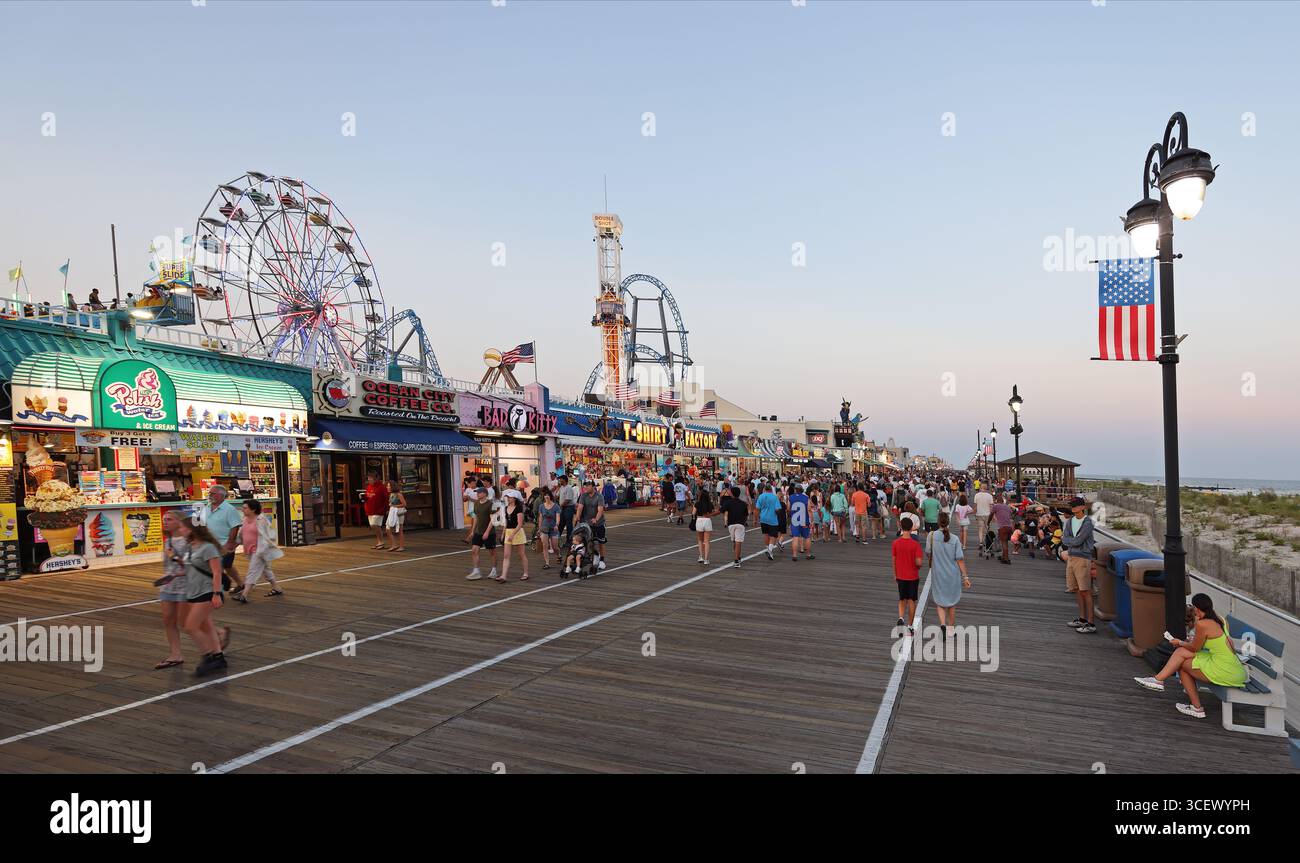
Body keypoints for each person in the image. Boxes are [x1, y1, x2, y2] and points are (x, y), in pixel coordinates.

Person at [1135, 594, 1248, 719]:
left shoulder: (1202, 624)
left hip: (1224, 670)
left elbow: (1195, 648)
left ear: (1196, 608)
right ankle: (1159, 680)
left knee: (1183, 664)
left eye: (1193, 608)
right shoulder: (1220, 619)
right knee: (1182, 654)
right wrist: (1188, 642)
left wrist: (1179, 642)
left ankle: (1195, 707)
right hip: (1235, 668)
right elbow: (1208, 643)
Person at [175, 517, 228, 676]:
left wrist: (217, 593)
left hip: (207, 591)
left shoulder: (208, 548)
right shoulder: (190, 546)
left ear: (191, 529)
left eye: (182, 527)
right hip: (193, 591)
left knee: (190, 627)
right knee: (207, 626)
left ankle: (208, 656)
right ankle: (218, 657)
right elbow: (191, 566)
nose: (180, 530)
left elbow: (217, 572)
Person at [152, 511, 190, 669]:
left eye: (169, 519)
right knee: (168, 619)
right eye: (164, 520)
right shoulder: (168, 540)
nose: (165, 522)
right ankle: (175, 654)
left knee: (186, 621)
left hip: (185, 584)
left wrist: (174, 557)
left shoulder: (188, 540)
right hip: (168, 583)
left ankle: (217, 634)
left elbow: (189, 565)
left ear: (179, 521)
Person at [926, 512, 970, 636]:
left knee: (940, 601)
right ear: (948, 523)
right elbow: (960, 559)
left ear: (938, 522)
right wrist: (965, 577)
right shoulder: (955, 539)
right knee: (952, 603)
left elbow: (928, 552)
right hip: (953, 575)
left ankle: (943, 624)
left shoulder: (931, 535)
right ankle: (951, 629)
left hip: (938, 573)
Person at [194, 484, 243, 593]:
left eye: (212, 493)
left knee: (217, 567)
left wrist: (230, 543)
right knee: (227, 566)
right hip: (209, 544)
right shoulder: (206, 507)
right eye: (209, 493)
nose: (209, 495)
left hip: (224, 544)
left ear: (221, 495)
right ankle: (240, 584)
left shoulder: (229, 509)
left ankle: (216, 591)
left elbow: (235, 527)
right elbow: (201, 524)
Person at [233, 499, 284, 602]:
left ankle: (244, 594)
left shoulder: (262, 520)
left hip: (260, 550)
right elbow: (241, 535)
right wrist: (233, 546)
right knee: (266, 569)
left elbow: (270, 535)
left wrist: (264, 548)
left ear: (253, 509)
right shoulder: (245, 519)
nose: (243, 509)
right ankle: (276, 588)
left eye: (245, 508)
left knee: (253, 571)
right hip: (249, 550)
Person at [1060, 497, 1098, 633]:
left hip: (1082, 558)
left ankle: (1091, 623)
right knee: (1076, 589)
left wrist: (1071, 541)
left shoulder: (1088, 522)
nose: (1073, 508)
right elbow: (1065, 538)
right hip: (1071, 557)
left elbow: (1078, 540)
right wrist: (1071, 541)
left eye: (1075, 506)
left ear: (1082, 507)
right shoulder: (1070, 521)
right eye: (1072, 506)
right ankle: (1082, 619)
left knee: (1085, 590)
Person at [891, 513, 924, 636]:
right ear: (911, 529)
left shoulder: (896, 543)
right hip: (913, 576)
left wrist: (895, 573)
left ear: (901, 527)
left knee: (901, 599)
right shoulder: (915, 544)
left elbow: (893, 560)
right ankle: (910, 626)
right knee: (911, 601)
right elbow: (919, 562)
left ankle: (901, 618)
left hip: (900, 575)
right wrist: (918, 565)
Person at [466, 486, 499, 581]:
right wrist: (472, 531)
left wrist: (487, 532)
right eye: (477, 493)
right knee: (474, 550)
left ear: (485, 494)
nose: (477, 494)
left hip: (489, 532)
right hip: (478, 532)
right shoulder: (476, 503)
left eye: (479, 492)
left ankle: (494, 570)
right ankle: (476, 571)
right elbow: (476, 517)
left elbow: (492, 519)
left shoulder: (490, 504)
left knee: (492, 551)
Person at [498, 493, 529, 582]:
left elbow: (519, 524)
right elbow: (506, 522)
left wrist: (512, 535)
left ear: (515, 498)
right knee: (506, 555)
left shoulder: (519, 508)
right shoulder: (506, 508)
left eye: (510, 497)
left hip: (517, 532)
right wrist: (503, 533)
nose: (508, 498)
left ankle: (525, 573)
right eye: (508, 497)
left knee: (521, 554)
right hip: (508, 531)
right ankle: (503, 576)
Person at [577, 478, 608, 571]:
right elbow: (580, 508)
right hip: (587, 523)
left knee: (601, 542)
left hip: (599, 523)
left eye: (588, 485)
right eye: (585, 485)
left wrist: (596, 519)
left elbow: (600, 510)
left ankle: (602, 561)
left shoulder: (599, 496)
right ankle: (595, 555)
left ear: (593, 486)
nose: (586, 487)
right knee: (589, 541)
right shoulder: (583, 496)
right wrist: (578, 517)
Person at [719, 485, 748, 568]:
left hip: (731, 524)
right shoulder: (743, 504)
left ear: (731, 494)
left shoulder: (728, 503)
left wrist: (710, 515)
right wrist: (744, 521)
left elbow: (720, 511)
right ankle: (737, 559)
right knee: (738, 542)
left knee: (735, 541)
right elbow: (745, 515)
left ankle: (737, 558)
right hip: (740, 524)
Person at [363, 471, 389, 549]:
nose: (369, 481)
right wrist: (364, 498)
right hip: (369, 509)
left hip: (378, 510)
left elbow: (386, 499)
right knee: (373, 526)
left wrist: (386, 508)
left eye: (370, 479)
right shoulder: (369, 487)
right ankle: (379, 542)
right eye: (368, 479)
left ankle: (381, 542)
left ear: (376, 479)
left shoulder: (381, 487)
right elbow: (369, 496)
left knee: (375, 525)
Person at [755, 483, 781, 561]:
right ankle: (770, 550)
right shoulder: (774, 497)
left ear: (765, 489)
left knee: (766, 534)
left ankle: (768, 550)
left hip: (763, 518)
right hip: (772, 518)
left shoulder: (761, 496)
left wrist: (755, 519)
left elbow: (757, 508)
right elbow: (777, 509)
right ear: (771, 489)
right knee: (773, 536)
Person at [788, 483, 813, 561]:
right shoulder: (806, 498)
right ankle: (808, 554)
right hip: (804, 520)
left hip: (794, 520)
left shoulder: (791, 497)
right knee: (807, 537)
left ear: (795, 490)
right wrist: (811, 520)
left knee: (795, 537)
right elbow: (809, 509)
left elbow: (788, 508)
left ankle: (795, 555)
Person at [537, 489, 560, 569]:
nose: (546, 497)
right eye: (545, 495)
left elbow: (558, 517)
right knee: (545, 545)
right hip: (544, 527)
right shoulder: (541, 506)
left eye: (548, 495)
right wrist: (539, 528)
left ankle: (558, 555)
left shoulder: (556, 506)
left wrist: (557, 525)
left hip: (553, 528)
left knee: (555, 547)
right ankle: (547, 563)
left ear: (550, 496)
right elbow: (540, 518)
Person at [989, 492, 1015, 564]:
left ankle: (1006, 558)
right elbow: (1011, 516)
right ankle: (1004, 557)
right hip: (1009, 527)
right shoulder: (1008, 507)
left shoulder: (996, 506)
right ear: (1003, 501)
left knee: (1003, 543)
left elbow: (991, 515)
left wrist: (988, 522)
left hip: (1002, 527)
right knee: (1006, 542)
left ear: (997, 500)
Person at [693, 488, 716, 565]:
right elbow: (713, 512)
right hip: (707, 520)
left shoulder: (697, 503)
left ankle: (701, 556)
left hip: (699, 520)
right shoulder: (710, 504)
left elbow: (693, 513)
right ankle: (706, 559)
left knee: (700, 540)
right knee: (706, 541)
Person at [384, 479, 407, 551]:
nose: (387, 487)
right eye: (387, 486)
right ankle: (394, 545)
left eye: (389, 486)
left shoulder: (399, 494)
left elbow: (404, 504)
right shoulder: (391, 494)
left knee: (400, 530)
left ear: (392, 487)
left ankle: (401, 546)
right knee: (388, 529)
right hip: (392, 513)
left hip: (399, 513)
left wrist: (394, 506)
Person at [556, 474, 579, 547]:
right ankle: (556, 539)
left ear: (564, 480)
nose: (559, 481)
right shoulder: (561, 487)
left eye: (560, 479)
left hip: (568, 508)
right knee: (561, 524)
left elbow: (568, 500)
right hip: (563, 508)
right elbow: (556, 496)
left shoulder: (569, 488)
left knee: (569, 525)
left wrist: (561, 505)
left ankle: (569, 541)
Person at [972, 485, 993, 554]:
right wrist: (992, 515)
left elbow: (975, 505)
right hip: (987, 514)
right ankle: (987, 542)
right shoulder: (990, 496)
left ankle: (981, 542)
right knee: (987, 528)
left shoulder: (977, 495)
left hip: (979, 514)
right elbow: (991, 506)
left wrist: (975, 513)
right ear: (986, 489)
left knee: (981, 529)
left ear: (981, 488)